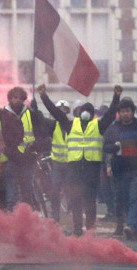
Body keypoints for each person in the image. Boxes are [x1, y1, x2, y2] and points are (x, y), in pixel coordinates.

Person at [39, 84, 121, 236]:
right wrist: (44, 96)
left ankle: (90, 229)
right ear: (79, 112)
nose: (86, 114)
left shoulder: (99, 125)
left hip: (92, 168)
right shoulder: (71, 124)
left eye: (89, 111)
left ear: (92, 114)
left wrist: (116, 97)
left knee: (90, 200)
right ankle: (77, 229)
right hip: (74, 168)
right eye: (84, 111)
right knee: (75, 198)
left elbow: (110, 114)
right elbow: (56, 113)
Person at [104, 98, 137, 240]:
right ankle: (126, 226)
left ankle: (132, 226)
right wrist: (113, 149)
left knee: (135, 198)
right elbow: (105, 146)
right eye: (122, 111)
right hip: (120, 170)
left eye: (128, 111)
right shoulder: (114, 128)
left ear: (132, 112)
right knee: (121, 199)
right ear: (119, 113)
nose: (125, 114)